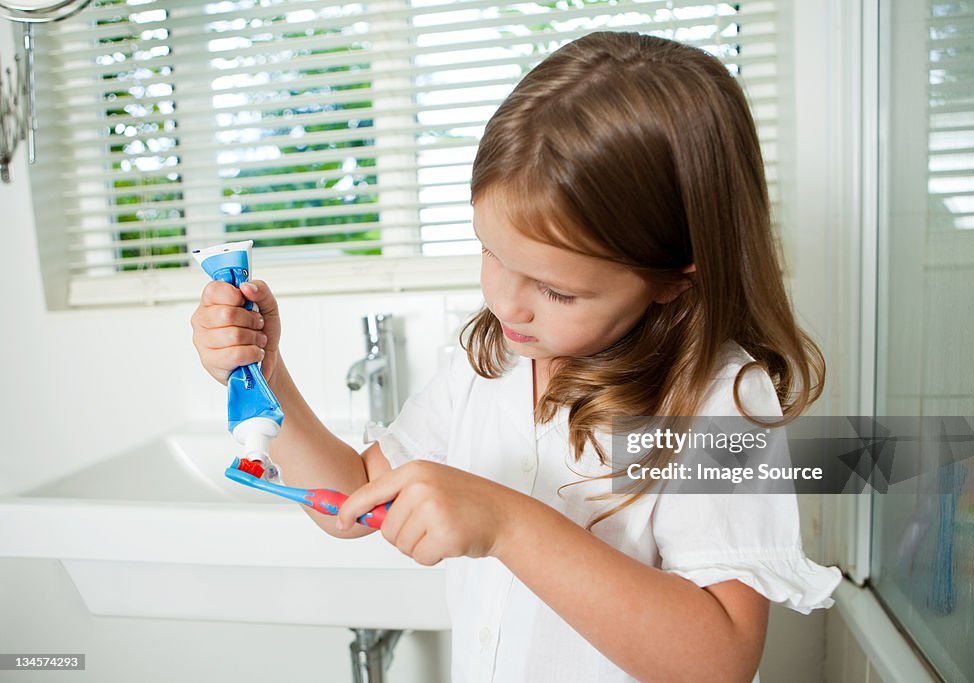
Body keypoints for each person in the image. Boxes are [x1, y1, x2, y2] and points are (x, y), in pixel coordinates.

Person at [191, 31, 841, 683]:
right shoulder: (490, 363)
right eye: (490, 252)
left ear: (676, 276)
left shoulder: (716, 399)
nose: (506, 302)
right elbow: (355, 499)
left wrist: (508, 523)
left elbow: (719, 659)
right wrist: (267, 373)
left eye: (556, 289)